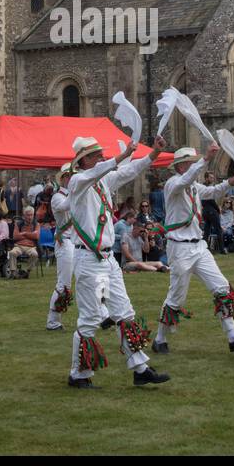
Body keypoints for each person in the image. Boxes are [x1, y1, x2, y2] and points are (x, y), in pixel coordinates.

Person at [64, 134, 171, 389]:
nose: (101, 156)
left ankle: (140, 368)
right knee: (90, 319)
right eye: (96, 154)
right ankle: (78, 374)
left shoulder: (103, 181)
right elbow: (107, 168)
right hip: (88, 258)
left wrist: (153, 154)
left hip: (107, 259)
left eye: (102, 153)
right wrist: (121, 156)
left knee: (124, 312)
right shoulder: (77, 182)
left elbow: (130, 171)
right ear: (84, 160)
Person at [152, 144, 234, 354]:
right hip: (179, 248)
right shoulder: (173, 184)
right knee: (176, 297)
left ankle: (233, 336)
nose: (193, 165)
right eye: (190, 162)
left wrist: (232, 181)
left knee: (222, 287)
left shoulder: (193, 186)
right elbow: (187, 179)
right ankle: (159, 339)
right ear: (180, 166)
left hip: (199, 246)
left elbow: (213, 191)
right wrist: (206, 159)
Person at [46, 165, 75, 331]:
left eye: (74, 176)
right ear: (63, 178)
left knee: (91, 280)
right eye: (69, 176)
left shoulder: (73, 194)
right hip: (65, 241)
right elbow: (66, 207)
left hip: (78, 242)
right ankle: (53, 321)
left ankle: (101, 314)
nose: (71, 179)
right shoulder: (58, 197)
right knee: (64, 284)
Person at [6, 206, 40, 277]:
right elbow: (15, 236)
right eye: (28, 215)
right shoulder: (18, 224)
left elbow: (36, 236)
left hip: (31, 247)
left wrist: (24, 233)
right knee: (12, 253)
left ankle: (27, 272)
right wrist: (30, 235)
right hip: (19, 246)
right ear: (24, 216)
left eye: (31, 215)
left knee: (35, 254)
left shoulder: (36, 224)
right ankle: (13, 272)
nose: (30, 217)